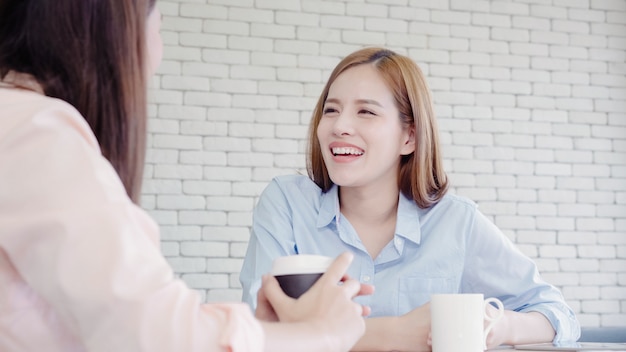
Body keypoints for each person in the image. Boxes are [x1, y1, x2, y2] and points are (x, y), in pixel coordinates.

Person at [0, 1, 374, 351]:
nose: (157, 55)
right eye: (157, 27)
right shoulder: (38, 134)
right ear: (115, 31)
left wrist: (268, 334)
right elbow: (151, 330)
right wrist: (318, 334)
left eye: (367, 112)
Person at [240, 47, 581, 351]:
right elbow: (260, 330)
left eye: (366, 112)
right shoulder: (285, 203)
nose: (340, 126)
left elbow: (558, 315)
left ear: (410, 137)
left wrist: (497, 325)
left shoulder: (455, 222)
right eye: (331, 110)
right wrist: (397, 332)